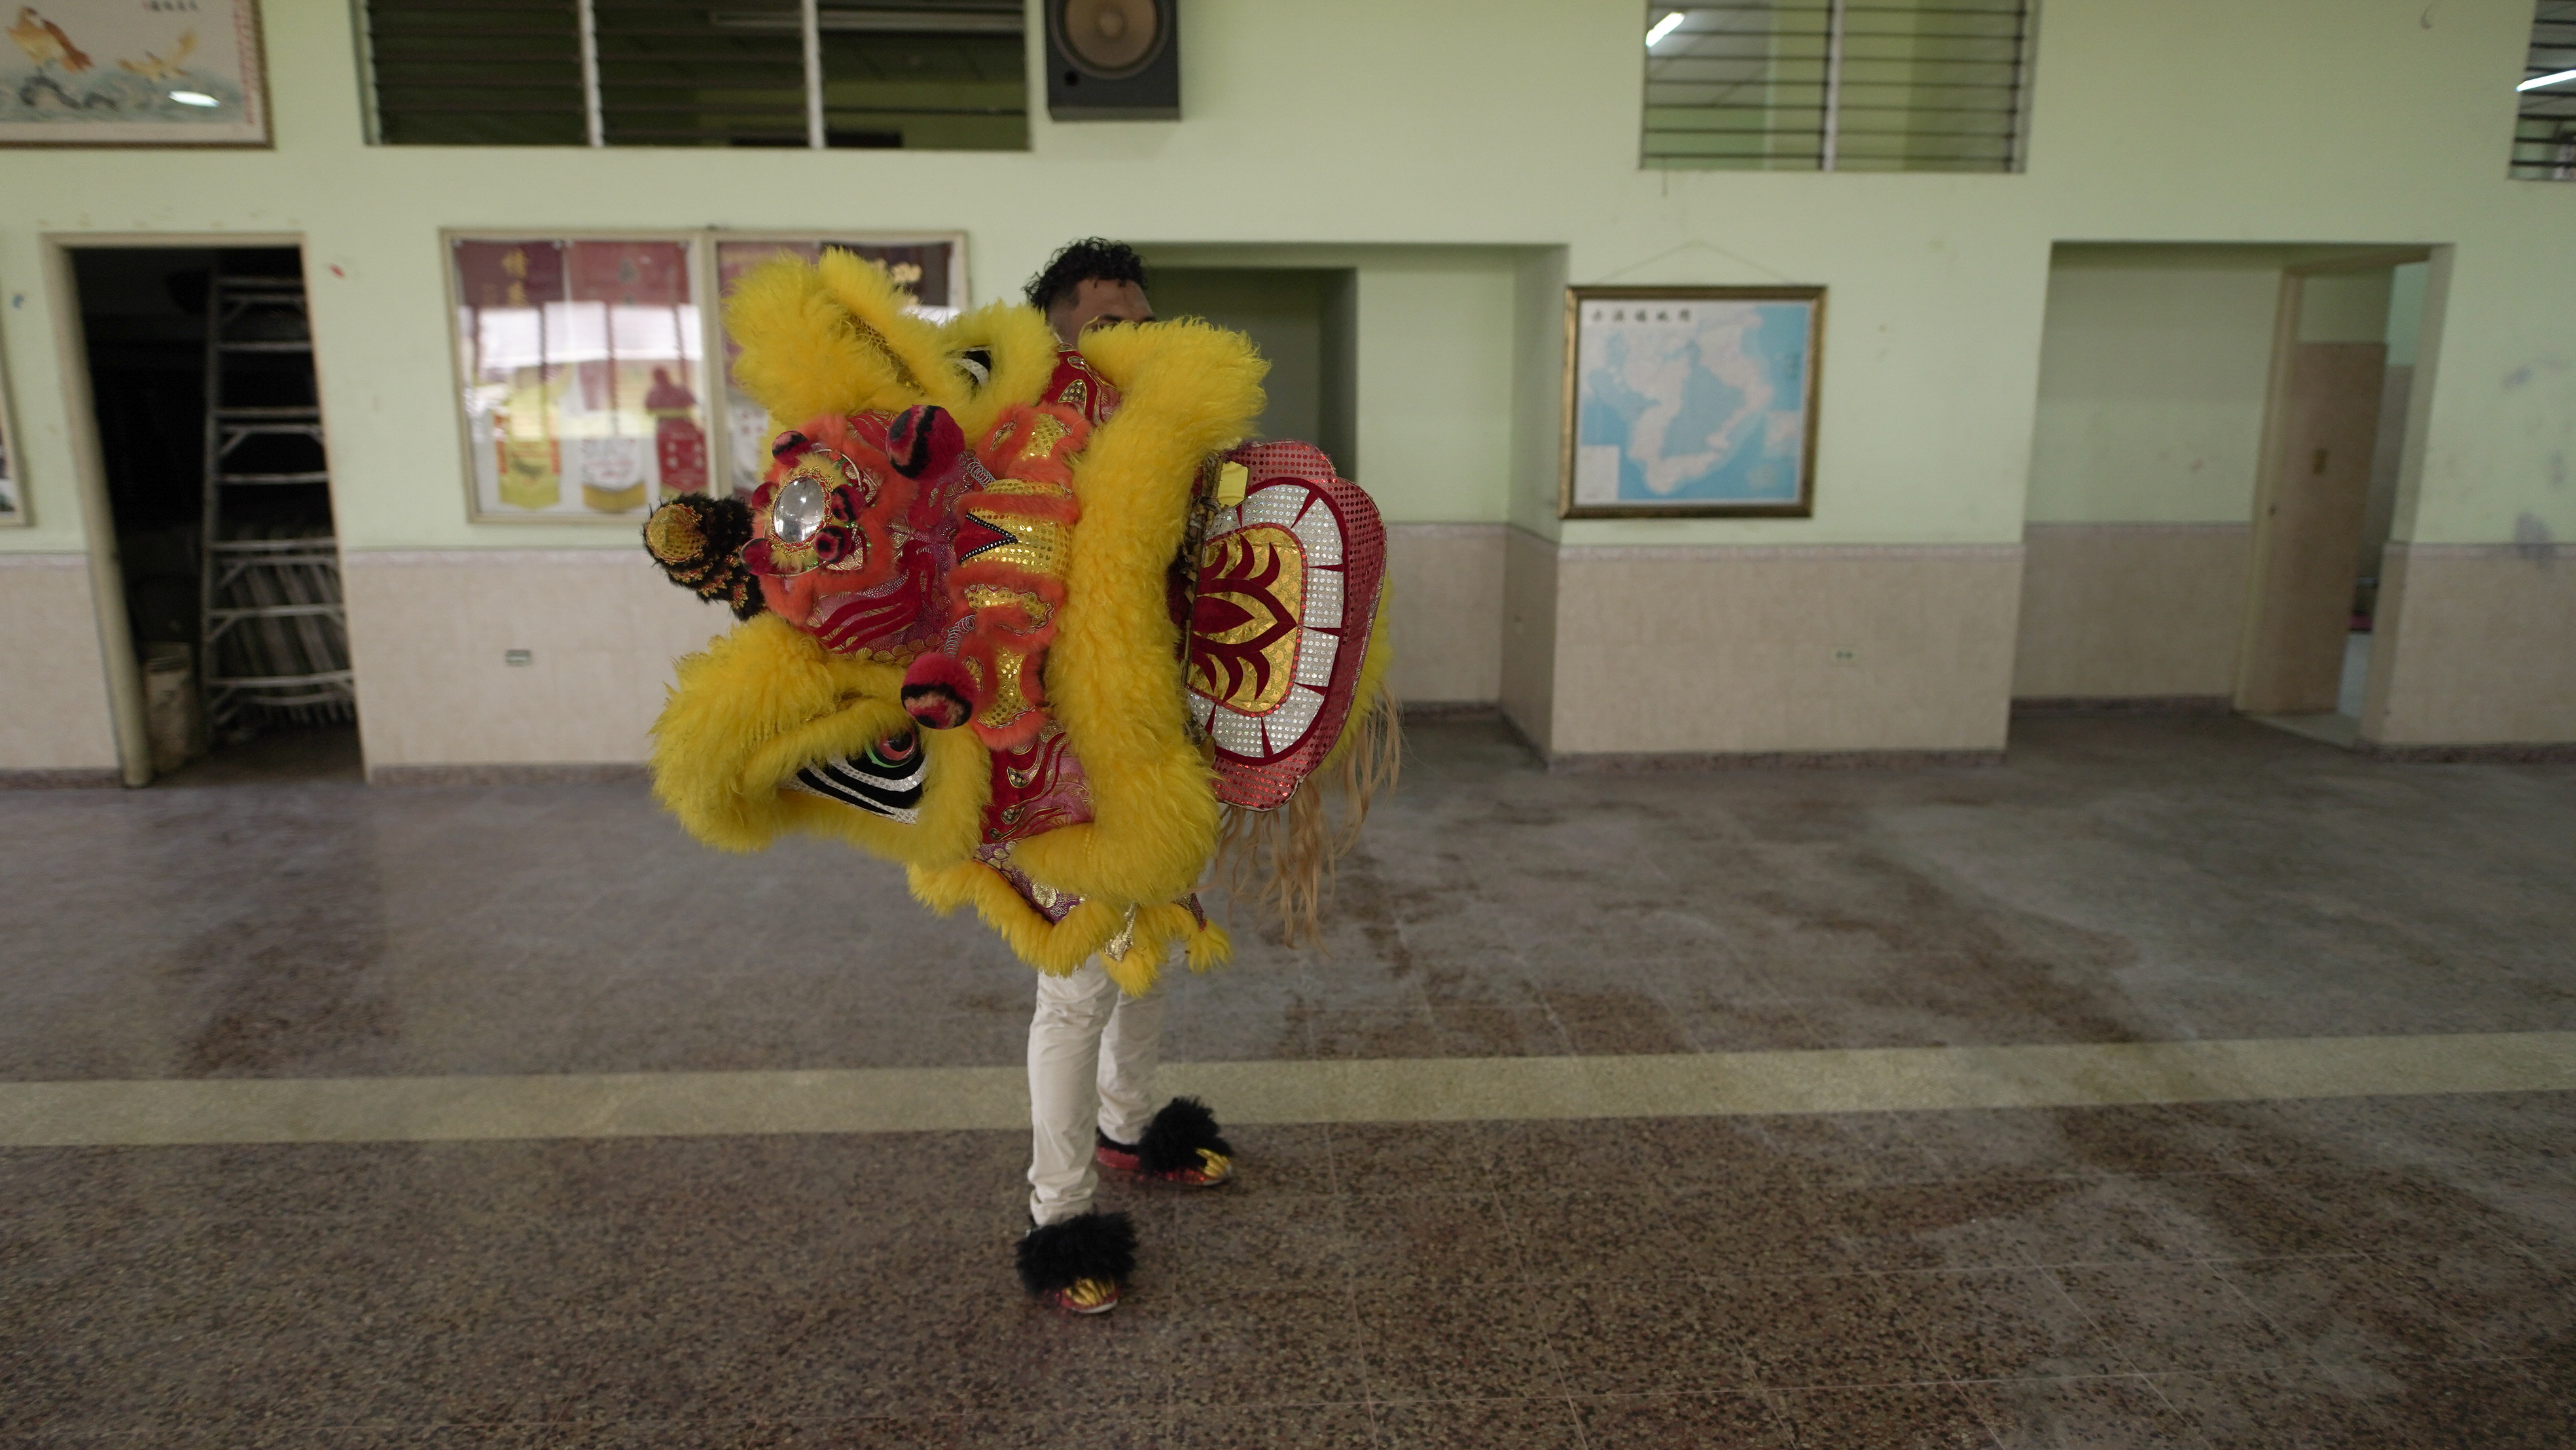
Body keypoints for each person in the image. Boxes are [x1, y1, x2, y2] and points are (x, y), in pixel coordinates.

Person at [1008, 239, 1236, 1317]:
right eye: (1103, 321)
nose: (1126, 340)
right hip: (1063, 760)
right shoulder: (1015, 451)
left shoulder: (1177, 443)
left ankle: (1131, 1128)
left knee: (1151, 953)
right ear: (1052, 329)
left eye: (1139, 320)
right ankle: (1059, 1219)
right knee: (1079, 984)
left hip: (1164, 745)